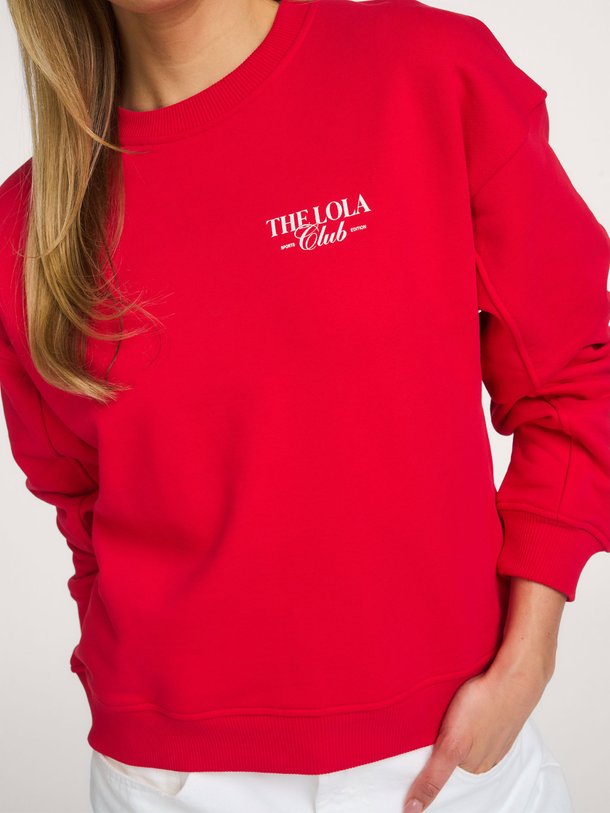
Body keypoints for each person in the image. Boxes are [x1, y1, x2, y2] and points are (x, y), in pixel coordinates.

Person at [1, 0, 608, 810]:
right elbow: (79, 500)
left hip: (442, 760)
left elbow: (572, 367)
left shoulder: (427, 73)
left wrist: (530, 650)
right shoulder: (32, 232)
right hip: (167, 780)